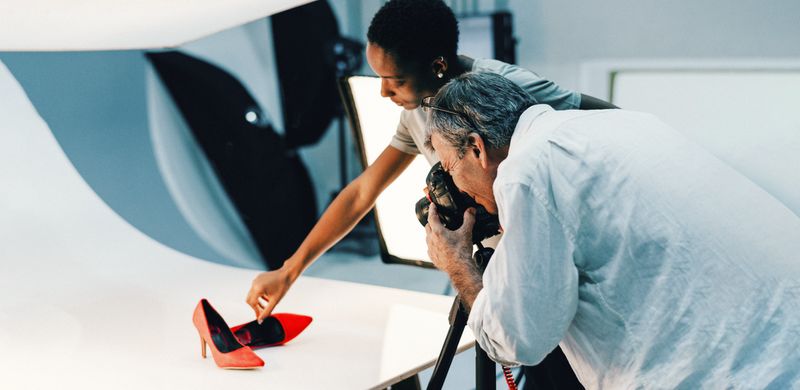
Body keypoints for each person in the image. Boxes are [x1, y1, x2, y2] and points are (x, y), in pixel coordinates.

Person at [423, 71, 800, 388]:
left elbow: (519, 338)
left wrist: (458, 264)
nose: (455, 186)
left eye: (450, 167)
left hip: (734, 374)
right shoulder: (624, 123)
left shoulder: (527, 170)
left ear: (476, 147)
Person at [246, 0, 612, 320]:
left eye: (395, 80)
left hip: (558, 262)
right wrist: (289, 270)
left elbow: (611, 117)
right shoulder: (417, 110)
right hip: (497, 267)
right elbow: (362, 193)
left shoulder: (506, 84)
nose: (383, 91)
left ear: (437, 64)